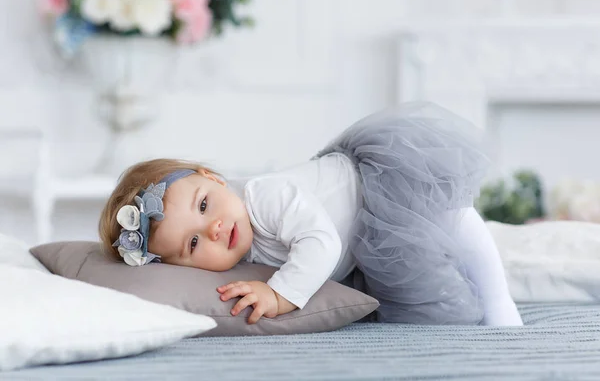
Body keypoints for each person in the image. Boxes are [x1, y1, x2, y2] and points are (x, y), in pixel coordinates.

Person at [99, 102, 523, 326]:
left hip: (379, 187)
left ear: (212, 177)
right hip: (362, 241)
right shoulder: (236, 260)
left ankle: (500, 298)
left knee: (456, 223)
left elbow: (322, 242)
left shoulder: (263, 197)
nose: (213, 229)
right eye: (192, 244)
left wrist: (280, 295)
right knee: (432, 270)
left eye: (205, 205)